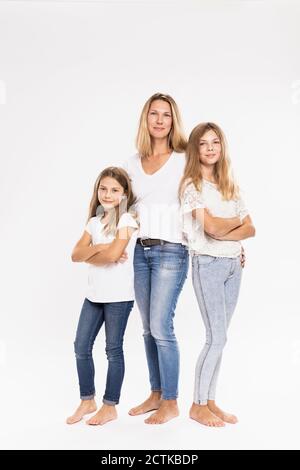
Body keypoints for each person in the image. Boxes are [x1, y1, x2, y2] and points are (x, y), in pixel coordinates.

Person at [179, 122, 255, 427]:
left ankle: (210, 400)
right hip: (207, 263)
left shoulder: (230, 185)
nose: (210, 148)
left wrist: (225, 229)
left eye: (216, 143)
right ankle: (197, 405)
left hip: (234, 265)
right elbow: (208, 229)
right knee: (216, 337)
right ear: (195, 149)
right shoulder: (191, 186)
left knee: (220, 338)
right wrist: (230, 226)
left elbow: (251, 228)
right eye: (203, 143)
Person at [123, 93, 189, 424]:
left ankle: (172, 400)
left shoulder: (183, 158)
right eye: (154, 114)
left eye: (166, 115)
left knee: (162, 326)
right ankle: (156, 393)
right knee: (148, 328)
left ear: (173, 121)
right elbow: (125, 208)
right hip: (141, 251)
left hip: (172, 250)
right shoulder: (132, 163)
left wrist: (229, 241)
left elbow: (203, 200)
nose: (160, 120)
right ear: (146, 119)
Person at [66, 167, 139, 426]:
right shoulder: (94, 222)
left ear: (124, 194)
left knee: (113, 349)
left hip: (119, 296)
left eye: (114, 190)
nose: (107, 194)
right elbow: (75, 254)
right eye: (103, 189)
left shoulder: (127, 220)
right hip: (93, 295)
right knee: (81, 346)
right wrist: (103, 247)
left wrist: (95, 252)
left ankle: (110, 406)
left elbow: (110, 257)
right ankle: (88, 400)